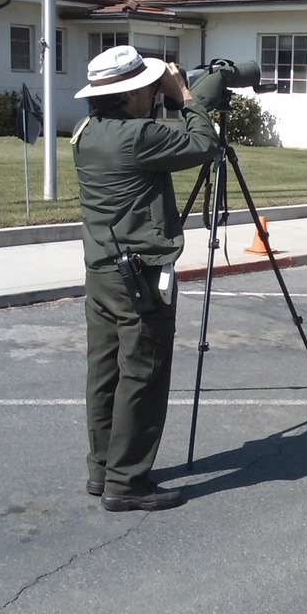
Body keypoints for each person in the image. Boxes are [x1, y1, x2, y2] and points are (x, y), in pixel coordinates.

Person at [71, 45, 220, 512]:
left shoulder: (86, 131)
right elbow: (205, 144)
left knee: (106, 373)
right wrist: (187, 97)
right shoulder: (138, 136)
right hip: (139, 275)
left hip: (102, 272)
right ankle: (128, 482)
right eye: (148, 86)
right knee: (143, 374)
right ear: (132, 92)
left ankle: (103, 469)